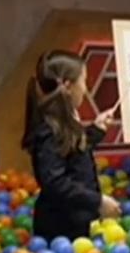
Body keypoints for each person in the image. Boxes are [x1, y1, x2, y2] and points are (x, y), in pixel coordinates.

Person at [21, 50, 121, 242]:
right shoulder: (49, 129)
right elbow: (55, 182)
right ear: (68, 87)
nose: (86, 88)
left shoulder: (64, 121)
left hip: (76, 220)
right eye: (83, 81)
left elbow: (73, 151)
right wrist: (97, 201)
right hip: (60, 227)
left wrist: (96, 130)